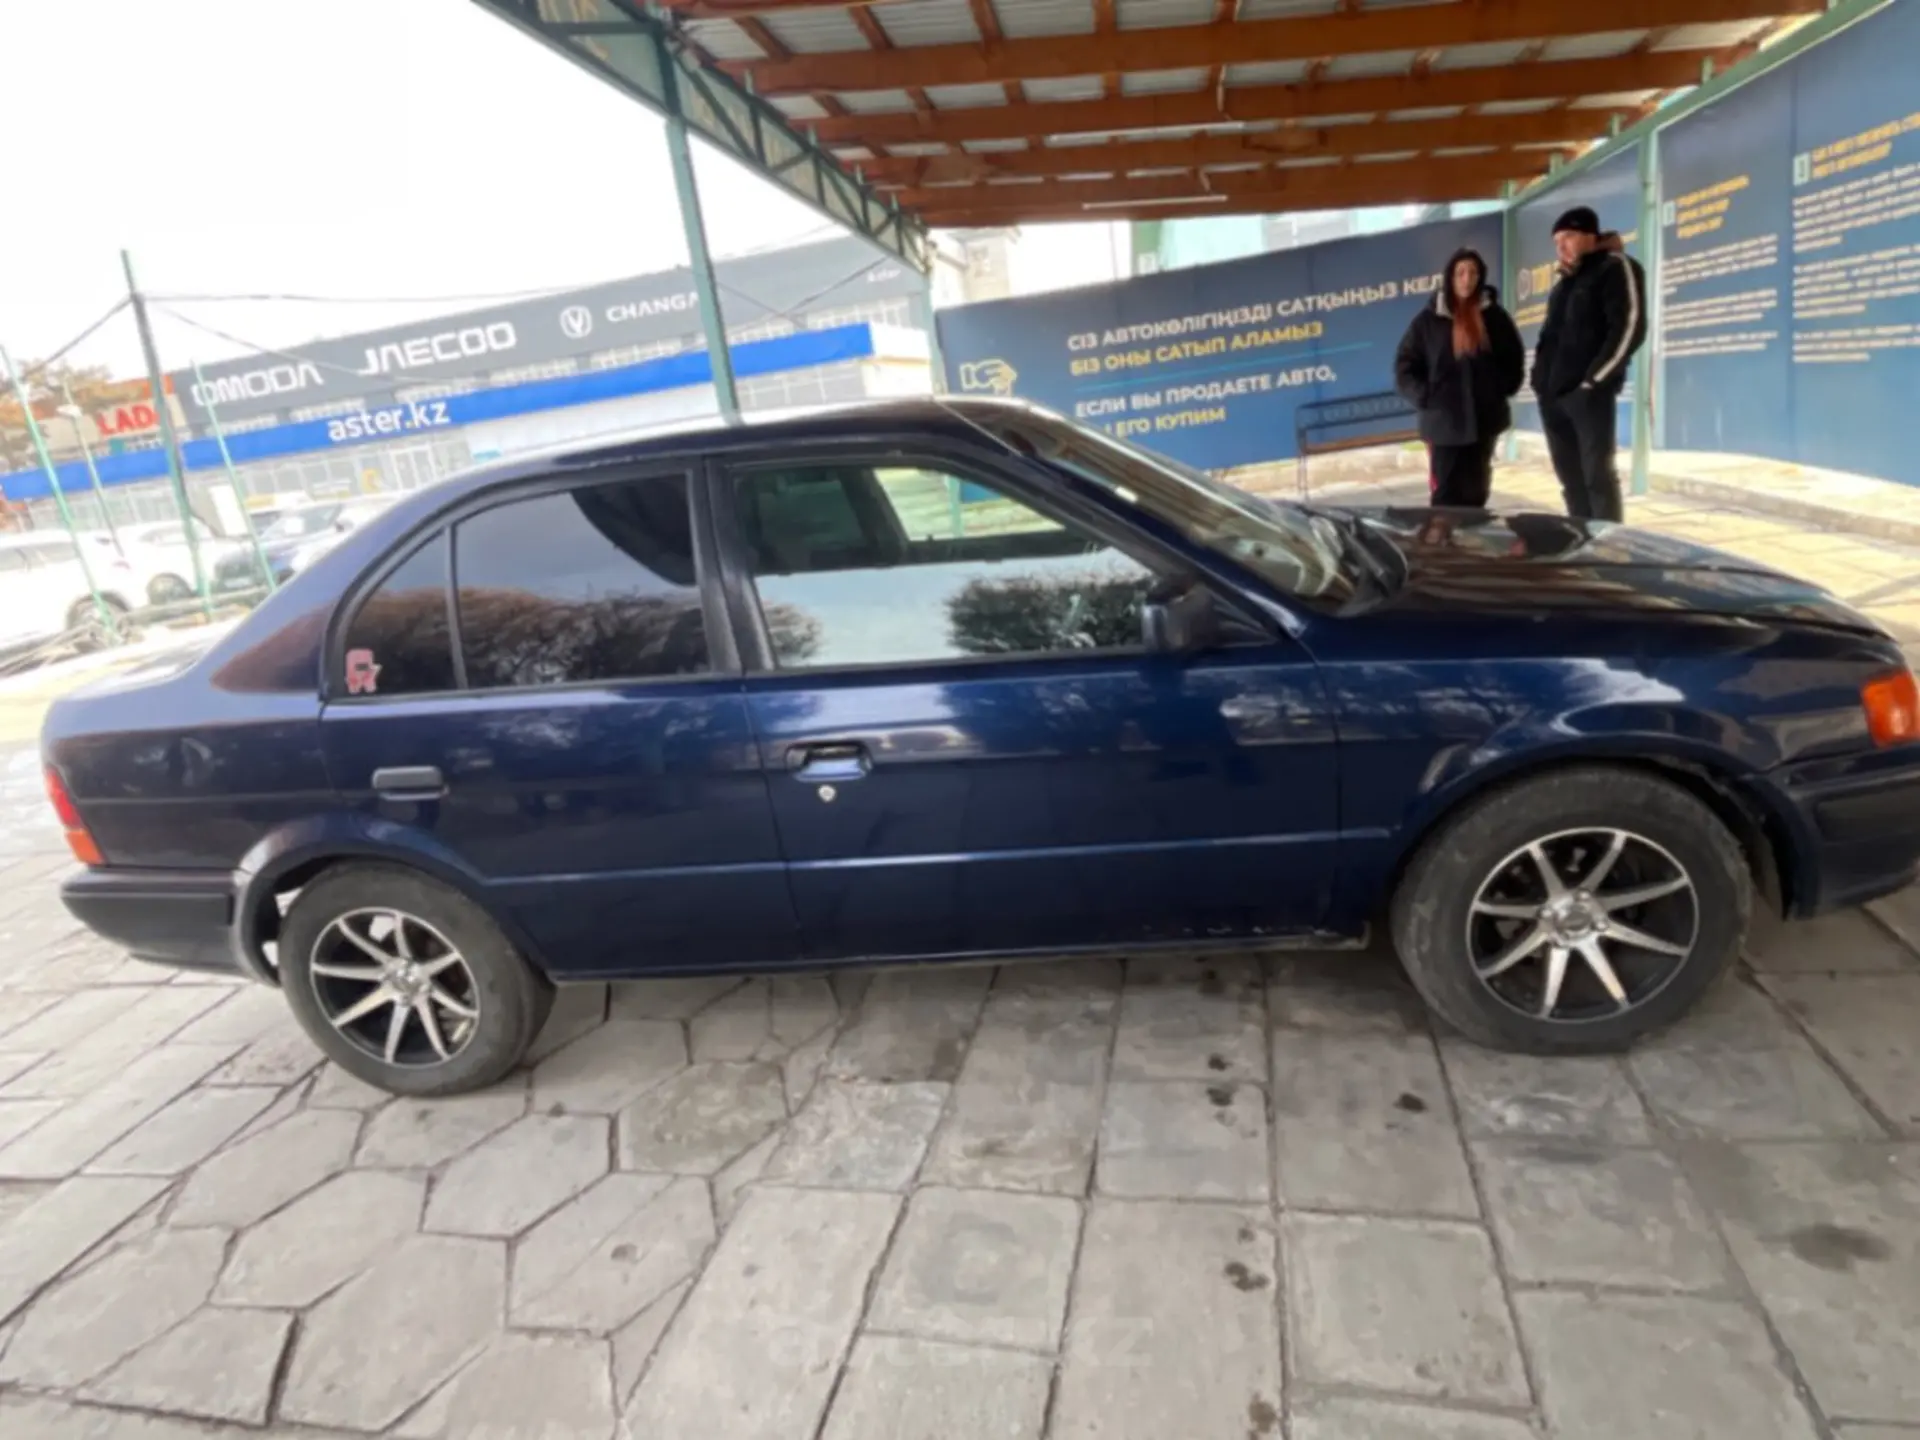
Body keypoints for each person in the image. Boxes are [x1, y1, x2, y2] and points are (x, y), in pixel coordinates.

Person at [1531, 207, 1649, 523]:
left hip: (1588, 396)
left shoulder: (1616, 267)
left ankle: (1606, 542)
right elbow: (1548, 338)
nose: (1561, 246)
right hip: (1553, 397)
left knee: (1598, 478)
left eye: (1568, 236)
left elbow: (1630, 327)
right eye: (1557, 241)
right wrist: (1539, 382)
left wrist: (1593, 382)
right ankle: (1580, 538)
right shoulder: (1563, 285)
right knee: (1570, 480)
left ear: (1590, 236)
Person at [1393, 248, 1525, 508]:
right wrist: (1426, 396)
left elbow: (1513, 358)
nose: (1467, 279)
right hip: (1443, 425)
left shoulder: (1494, 317)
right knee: (1445, 499)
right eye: (1461, 273)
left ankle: (1471, 536)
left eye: (1473, 273)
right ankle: (1444, 537)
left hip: (1484, 422)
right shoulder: (1428, 321)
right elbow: (1404, 366)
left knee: (1476, 494)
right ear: (1450, 277)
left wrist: (1501, 388)